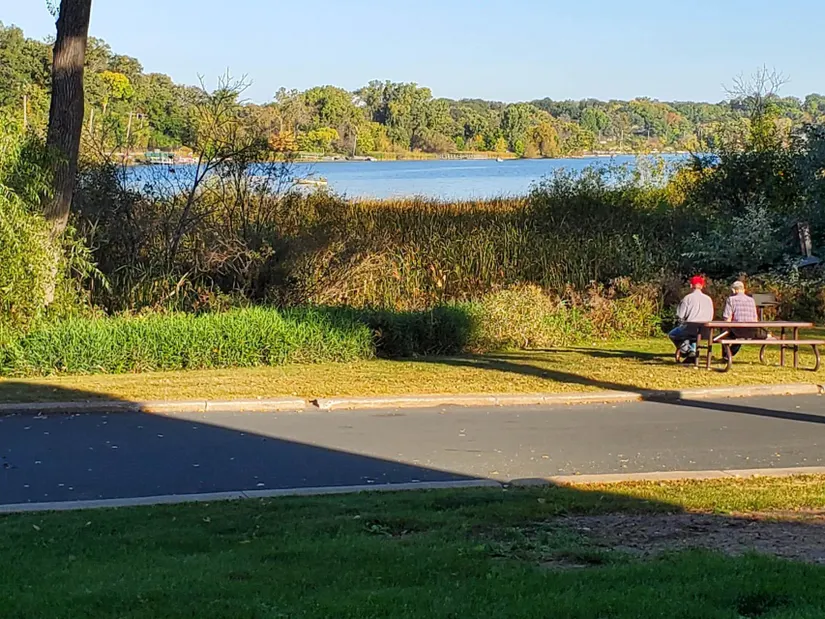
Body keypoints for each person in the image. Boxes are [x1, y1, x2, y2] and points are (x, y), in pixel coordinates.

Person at [669, 275, 714, 362]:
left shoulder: (687, 298)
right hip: (706, 331)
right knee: (693, 332)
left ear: (691, 285)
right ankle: (691, 352)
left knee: (673, 334)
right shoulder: (708, 299)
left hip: (690, 330)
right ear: (702, 286)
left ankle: (688, 351)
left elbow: (680, 315)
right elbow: (711, 316)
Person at [720, 280, 759, 358]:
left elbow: (727, 318)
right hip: (751, 331)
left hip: (737, 331)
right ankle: (729, 355)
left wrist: (725, 328)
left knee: (724, 333)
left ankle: (726, 354)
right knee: (740, 336)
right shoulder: (751, 300)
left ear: (733, 290)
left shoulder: (731, 299)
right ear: (744, 289)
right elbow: (755, 318)